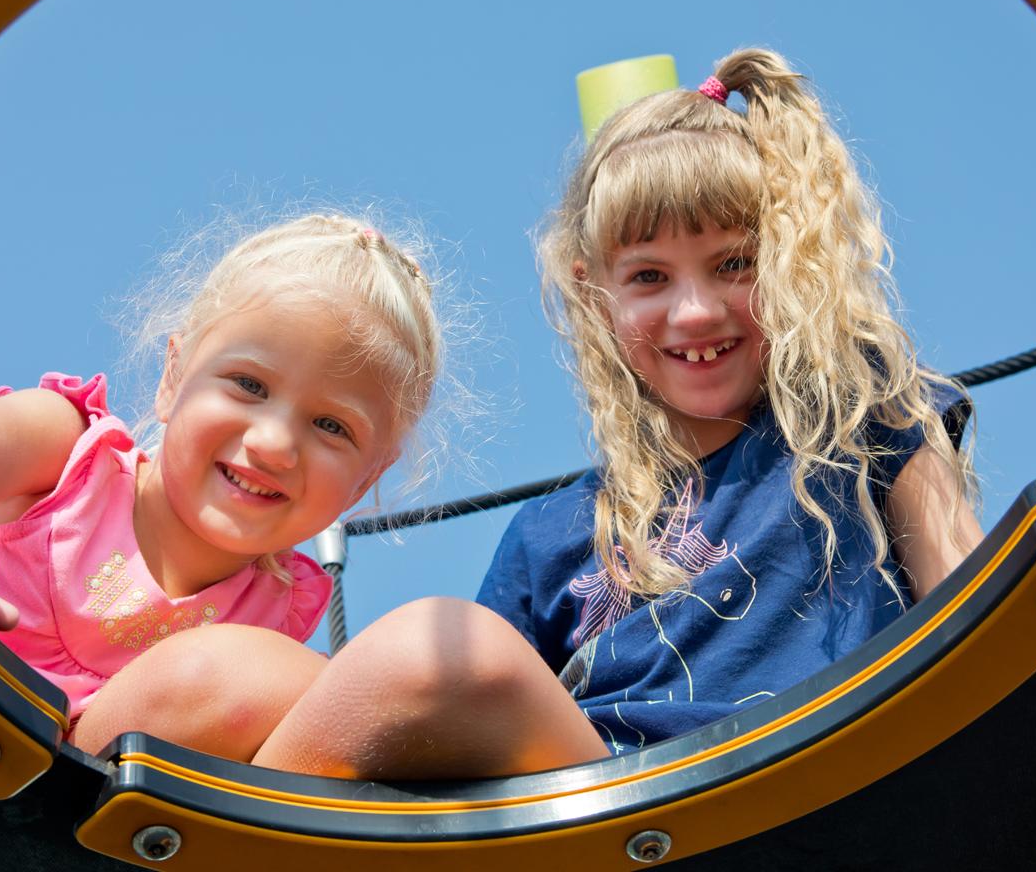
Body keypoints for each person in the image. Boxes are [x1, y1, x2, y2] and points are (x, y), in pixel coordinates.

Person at [244, 48, 983, 777]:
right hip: (608, 809)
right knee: (225, 672)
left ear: (786, 262)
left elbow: (976, 612)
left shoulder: (859, 418)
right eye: (650, 277)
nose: (694, 311)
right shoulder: (550, 536)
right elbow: (478, 740)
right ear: (594, 295)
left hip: (822, 778)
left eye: (734, 264)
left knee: (427, 650)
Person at [0, 213, 445, 762]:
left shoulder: (277, 619)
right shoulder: (63, 448)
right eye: (248, 384)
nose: (274, 444)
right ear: (173, 377)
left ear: (365, 481)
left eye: (331, 426)